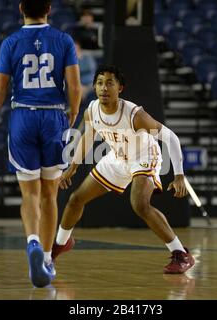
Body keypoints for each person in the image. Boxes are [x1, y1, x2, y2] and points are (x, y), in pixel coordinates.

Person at [0, 0, 81, 288]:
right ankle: (47, 257)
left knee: (29, 194)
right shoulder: (63, 39)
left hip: (22, 118)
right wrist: (72, 116)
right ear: (49, 9)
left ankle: (31, 242)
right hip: (53, 116)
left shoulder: (11, 42)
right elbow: (75, 87)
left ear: (20, 9)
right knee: (49, 194)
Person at [51, 65, 195, 274]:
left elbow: (170, 137)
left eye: (110, 83)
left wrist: (179, 175)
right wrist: (72, 168)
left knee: (139, 204)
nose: (104, 88)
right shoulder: (92, 109)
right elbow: (88, 137)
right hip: (118, 158)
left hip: (144, 156)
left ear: (120, 88)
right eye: (100, 83)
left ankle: (181, 254)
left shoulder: (135, 115)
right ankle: (60, 244)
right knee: (75, 199)